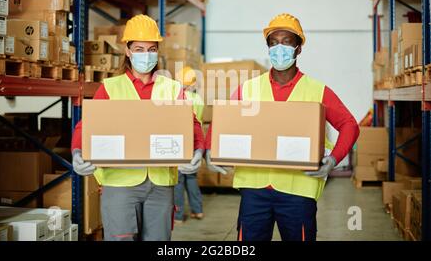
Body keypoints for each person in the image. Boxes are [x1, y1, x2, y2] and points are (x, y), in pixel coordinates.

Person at [204, 13, 360, 241]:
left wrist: (333, 160)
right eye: (274, 42)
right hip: (254, 191)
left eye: (287, 42)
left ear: (298, 48)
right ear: (268, 47)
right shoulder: (248, 89)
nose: (280, 48)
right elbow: (222, 121)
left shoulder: (317, 90)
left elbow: (350, 125)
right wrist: (211, 149)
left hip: (298, 191)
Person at [70, 15, 205, 241]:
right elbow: (87, 125)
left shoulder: (172, 88)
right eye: (140, 48)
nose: (146, 54)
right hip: (120, 184)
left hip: (160, 183)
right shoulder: (111, 88)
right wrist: (76, 151)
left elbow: (191, 123)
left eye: (151, 49)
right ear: (128, 51)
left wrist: (198, 149)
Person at [174, 66, 205, 224]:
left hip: (179, 142)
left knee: (178, 180)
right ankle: (197, 210)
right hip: (195, 141)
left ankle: (178, 216)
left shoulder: (177, 97)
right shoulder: (198, 99)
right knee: (191, 178)